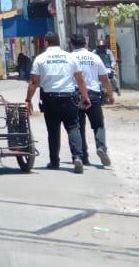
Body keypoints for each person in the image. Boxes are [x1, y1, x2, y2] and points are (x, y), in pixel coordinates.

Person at [25, 32, 91, 174]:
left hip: (50, 99)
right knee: (73, 127)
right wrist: (85, 97)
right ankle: (78, 157)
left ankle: (54, 161)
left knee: (53, 130)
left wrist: (28, 100)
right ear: (58, 42)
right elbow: (80, 80)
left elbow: (34, 82)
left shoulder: (40, 59)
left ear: (46, 43)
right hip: (69, 98)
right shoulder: (70, 57)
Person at [70, 35, 115, 167]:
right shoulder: (95, 57)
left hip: (75, 95)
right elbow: (105, 79)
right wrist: (111, 95)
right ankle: (101, 147)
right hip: (94, 95)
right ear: (86, 43)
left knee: (78, 127)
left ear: (72, 45)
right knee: (98, 124)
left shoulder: (69, 58)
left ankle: (83, 157)